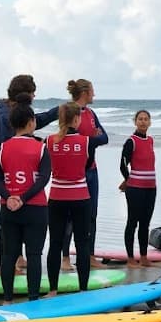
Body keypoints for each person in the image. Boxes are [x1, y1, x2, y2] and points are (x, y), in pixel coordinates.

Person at [0, 75, 59, 266]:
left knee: (16, 215)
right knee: (9, 217)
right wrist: (36, 143)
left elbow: (32, 124)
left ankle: (16, 258)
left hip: (14, 175)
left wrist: (55, 113)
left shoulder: (10, 111)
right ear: (24, 93)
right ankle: (7, 263)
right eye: (32, 92)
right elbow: (8, 144)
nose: (34, 96)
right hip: (8, 175)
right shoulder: (4, 116)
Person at [0, 99, 51, 303]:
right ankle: (33, 300)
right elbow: (43, 178)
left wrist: (9, 196)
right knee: (34, 255)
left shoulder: (2, 148)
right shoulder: (40, 148)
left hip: (9, 209)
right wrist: (24, 198)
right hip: (36, 209)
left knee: (9, 255)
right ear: (32, 122)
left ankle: (7, 299)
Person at [45, 103, 95, 295]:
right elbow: (88, 165)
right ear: (76, 119)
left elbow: (46, 166)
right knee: (82, 243)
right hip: (80, 196)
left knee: (55, 243)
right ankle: (83, 289)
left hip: (57, 195)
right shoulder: (87, 142)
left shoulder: (49, 141)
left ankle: (53, 290)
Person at [62, 78, 107, 268]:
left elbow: (105, 138)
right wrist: (89, 140)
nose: (94, 94)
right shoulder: (70, 112)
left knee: (91, 215)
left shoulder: (90, 113)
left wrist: (87, 141)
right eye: (92, 91)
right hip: (75, 171)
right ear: (85, 93)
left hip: (91, 170)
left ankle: (90, 256)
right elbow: (66, 137)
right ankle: (65, 258)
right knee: (70, 217)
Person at [118, 109, 156, 267]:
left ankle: (144, 257)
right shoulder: (131, 141)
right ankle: (130, 258)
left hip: (151, 188)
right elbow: (122, 165)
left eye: (146, 119)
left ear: (150, 122)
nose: (143, 121)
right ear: (135, 122)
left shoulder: (151, 140)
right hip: (135, 189)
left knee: (145, 223)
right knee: (132, 222)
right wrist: (129, 180)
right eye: (140, 119)